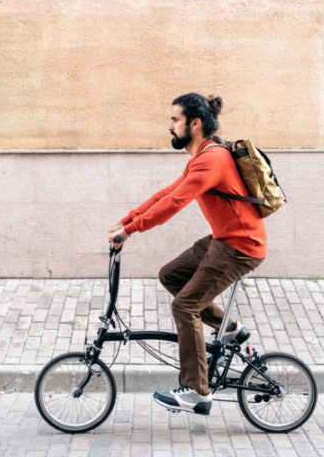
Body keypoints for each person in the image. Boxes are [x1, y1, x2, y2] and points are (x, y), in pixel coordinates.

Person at [107, 93, 267, 415]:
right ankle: (231, 330)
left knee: (184, 307)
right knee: (171, 275)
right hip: (224, 239)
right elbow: (167, 193)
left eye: (174, 120)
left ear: (194, 125)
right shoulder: (202, 157)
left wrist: (131, 231)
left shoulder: (212, 159)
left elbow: (174, 204)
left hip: (240, 247)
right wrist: (125, 221)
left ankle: (197, 391)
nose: (169, 126)